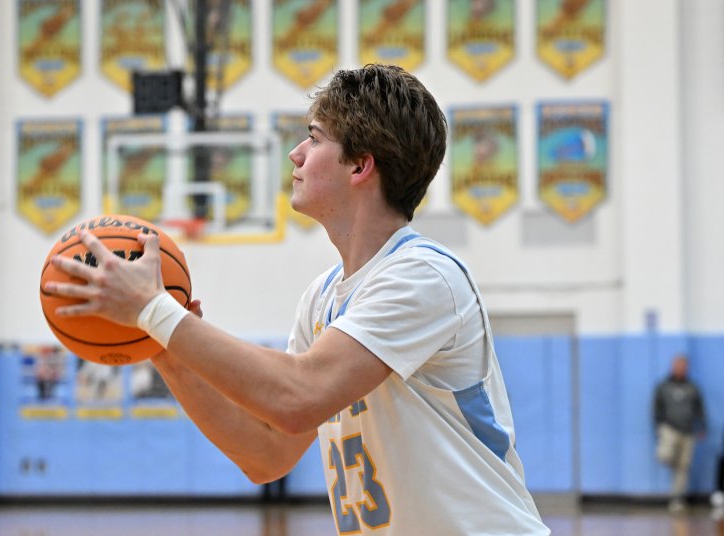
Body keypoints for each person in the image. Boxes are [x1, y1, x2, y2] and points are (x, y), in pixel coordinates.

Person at [45, 64, 549, 535]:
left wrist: (155, 310)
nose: (296, 154)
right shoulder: (322, 297)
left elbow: (297, 397)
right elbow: (268, 454)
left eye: (314, 138)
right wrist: (161, 348)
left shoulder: (422, 276)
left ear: (360, 166)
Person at [653, 354, 707, 513]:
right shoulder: (663, 386)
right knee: (665, 456)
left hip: (688, 430)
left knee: (683, 467)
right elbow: (656, 407)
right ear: (673, 367)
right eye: (678, 366)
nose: (680, 369)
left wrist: (702, 426)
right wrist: (658, 425)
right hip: (669, 428)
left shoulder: (692, 387)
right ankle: (670, 459)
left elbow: (700, 407)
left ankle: (677, 499)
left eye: (683, 366)